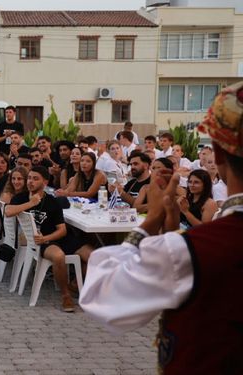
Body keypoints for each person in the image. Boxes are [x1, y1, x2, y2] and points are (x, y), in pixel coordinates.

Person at [80, 82, 243, 375]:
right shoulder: (189, 245)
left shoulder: (194, 248)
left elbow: (103, 297)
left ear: (218, 156)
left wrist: (149, 223)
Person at [6, 166, 94, 313]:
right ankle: (65, 295)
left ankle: (75, 285)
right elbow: (8, 212)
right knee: (58, 256)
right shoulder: (20, 198)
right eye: (29, 178)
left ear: (45, 182)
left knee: (95, 257)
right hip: (42, 243)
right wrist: (31, 203)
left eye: (35, 179)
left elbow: (62, 230)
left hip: (54, 237)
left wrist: (46, 237)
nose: (30, 182)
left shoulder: (52, 201)